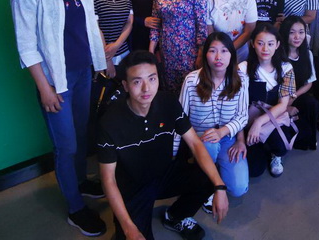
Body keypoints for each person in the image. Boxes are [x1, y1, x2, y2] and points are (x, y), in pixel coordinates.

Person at [10, 0, 107, 236]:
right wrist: (45, 88)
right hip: (55, 81)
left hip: (83, 73)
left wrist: (102, 61)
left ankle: (80, 182)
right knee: (66, 145)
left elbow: (90, 25)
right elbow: (26, 45)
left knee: (80, 135)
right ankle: (75, 209)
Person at [97, 51, 229, 240]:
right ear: (125, 85)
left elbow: (195, 143)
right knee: (131, 235)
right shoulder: (110, 122)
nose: (146, 88)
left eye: (152, 79)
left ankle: (175, 217)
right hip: (133, 187)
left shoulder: (168, 102)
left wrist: (219, 186)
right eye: (137, 82)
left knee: (209, 176)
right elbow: (108, 179)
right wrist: (128, 228)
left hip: (164, 173)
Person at [179, 32, 249, 214]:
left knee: (239, 188)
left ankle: (215, 169)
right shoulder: (192, 80)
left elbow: (242, 116)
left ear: (232, 54)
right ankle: (208, 187)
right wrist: (174, 153)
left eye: (224, 51)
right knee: (209, 143)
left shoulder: (241, 79)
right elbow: (180, 118)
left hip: (227, 138)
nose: (219, 57)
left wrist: (225, 133)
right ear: (205, 55)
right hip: (200, 138)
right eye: (212, 51)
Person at [239, 24, 297, 178]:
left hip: (274, 119)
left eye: (270, 44)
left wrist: (259, 122)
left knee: (280, 145)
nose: (265, 49)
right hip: (248, 120)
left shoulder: (286, 68)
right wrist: (250, 126)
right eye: (260, 43)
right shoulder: (243, 68)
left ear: (277, 45)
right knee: (255, 170)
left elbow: (283, 105)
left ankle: (275, 155)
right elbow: (238, 104)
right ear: (252, 44)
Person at [150, 0, 207, 93]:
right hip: (166, 52)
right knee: (168, 94)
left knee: (190, 92)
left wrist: (201, 54)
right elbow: (156, 23)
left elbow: (202, 26)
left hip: (190, 53)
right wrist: (151, 51)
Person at [279, 16, 319, 148]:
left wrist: (293, 96)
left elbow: (309, 83)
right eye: (292, 32)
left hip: (297, 94)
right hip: (279, 97)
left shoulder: (307, 54)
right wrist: (285, 104)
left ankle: (307, 138)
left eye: (301, 32)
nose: (297, 37)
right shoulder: (278, 55)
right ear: (285, 33)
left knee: (311, 103)